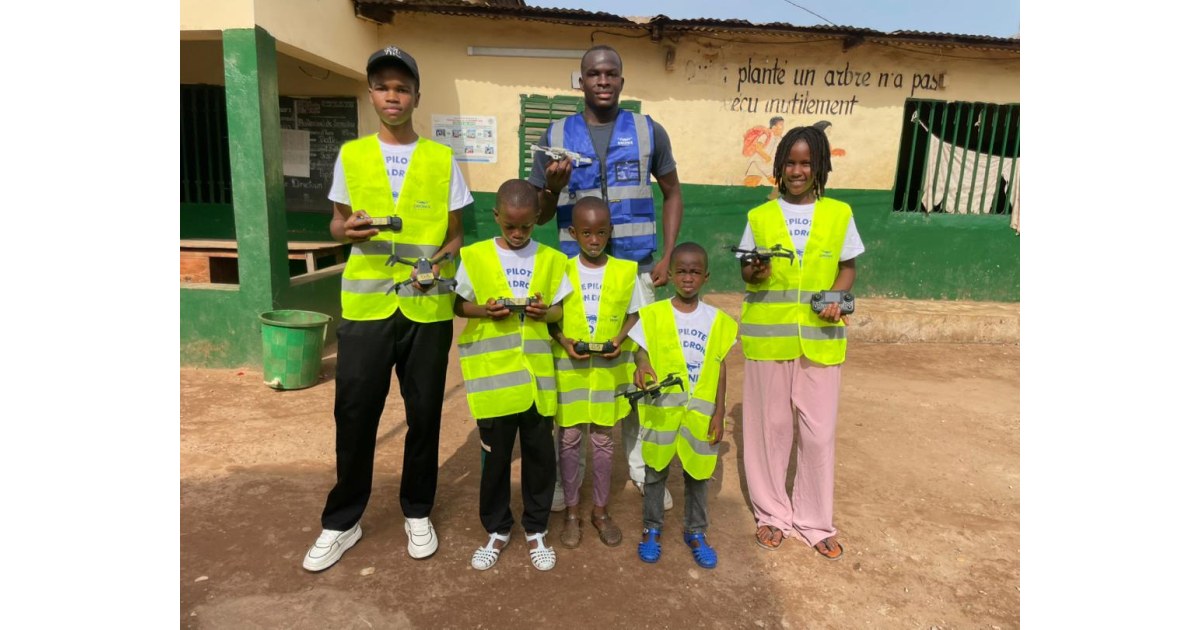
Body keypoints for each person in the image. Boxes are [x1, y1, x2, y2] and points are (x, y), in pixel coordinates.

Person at [303, 46, 471, 572]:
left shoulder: (442, 159)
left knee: (423, 415)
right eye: (382, 87)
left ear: (416, 95)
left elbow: (457, 234)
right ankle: (342, 521)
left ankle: (416, 510)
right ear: (371, 94)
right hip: (367, 306)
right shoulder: (352, 156)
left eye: (402, 87)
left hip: (426, 308)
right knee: (355, 415)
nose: (392, 95)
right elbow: (336, 224)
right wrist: (343, 230)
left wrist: (444, 258)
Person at [528, 44, 682, 510]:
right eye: (593, 73)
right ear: (580, 81)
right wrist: (553, 190)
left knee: (638, 371)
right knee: (571, 373)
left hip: (635, 268)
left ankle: (638, 466)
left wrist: (668, 256)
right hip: (577, 272)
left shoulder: (648, 130)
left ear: (621, 80)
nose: (602, 80)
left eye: (610, 73)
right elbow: (538, 216)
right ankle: (563, 475)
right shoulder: (555, 134)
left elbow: (673, 193)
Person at [737, 124, 865, 560]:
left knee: (818, 433)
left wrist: (835, 299)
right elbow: (748, 273)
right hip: (768, 338)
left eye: (806, 163)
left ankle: (813, 520)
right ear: (778, 166)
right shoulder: (760, 217)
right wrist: (755, 272)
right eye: (789, 162)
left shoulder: (839, 214)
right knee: (769, 429)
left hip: (821, 336)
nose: (796, 170)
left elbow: (847, 268)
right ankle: (772, 514)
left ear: (820, 167)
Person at [453, 179, 571, 572]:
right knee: (495, 459)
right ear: (496, 217)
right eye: (509, 226)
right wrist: (485, 311)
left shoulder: (553, 260)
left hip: (538, 382)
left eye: (525, 227)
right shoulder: (474, 257)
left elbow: (558, 311)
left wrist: (545, 313)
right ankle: (497, 528)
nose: (518, 234)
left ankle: (536, 529)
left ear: (538, 217)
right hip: (494, 381)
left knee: (540, 459)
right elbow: (458, 305)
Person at [626, 243, 737, 569]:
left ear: (706, 276)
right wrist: (642, 365)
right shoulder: (655, 314)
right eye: (682, 271)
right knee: (655, 472)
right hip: (663, 411)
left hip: (699, 416)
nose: (688, 277)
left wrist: (718, 412)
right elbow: (640, 350)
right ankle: (651, 529)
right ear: (671, 274)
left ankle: (697, 532)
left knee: (698, 474)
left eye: (695, 271)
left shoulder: (718, 320)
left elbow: (720, 367)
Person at [547, 197, 645, 549]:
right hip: (571, 373)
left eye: (600, 232)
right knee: (569, 440)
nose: (593, 240)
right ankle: (572, 510)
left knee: (603, 442)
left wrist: (619, 340)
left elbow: (635, 315)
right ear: (573, 233)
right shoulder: (562, 269)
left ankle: (600, 510)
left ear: (609, 232)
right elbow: (551, 316)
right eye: (586, 233)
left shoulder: (624, 271)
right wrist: (562, 339)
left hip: (607, 375)